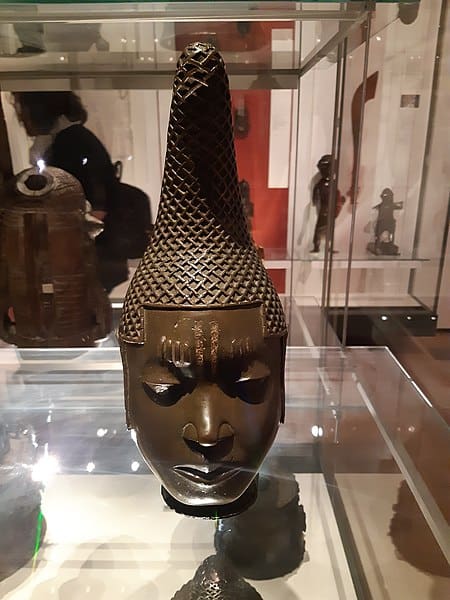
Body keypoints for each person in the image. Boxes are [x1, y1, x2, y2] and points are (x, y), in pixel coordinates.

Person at [12, 91, 128, 293]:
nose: (21, 117)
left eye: (23, 108)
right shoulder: (69, 139)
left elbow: (93, 204)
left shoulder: (70, 142)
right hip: (86, 252)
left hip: (87, 254)